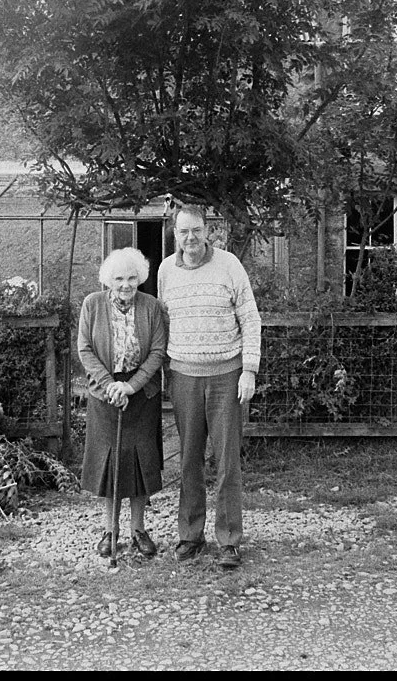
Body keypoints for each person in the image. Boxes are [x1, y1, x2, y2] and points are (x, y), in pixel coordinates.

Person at [156, 204, 261, 570]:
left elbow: (250, 318)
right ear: (175, 233)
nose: (190, 238)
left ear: (207, 230)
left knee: (227, 460)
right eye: (183, 232)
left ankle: (229, 540)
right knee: (189, 459)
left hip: (226, 377)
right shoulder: (166, 270)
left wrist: (248, 370)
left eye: (196, 230)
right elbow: (165, 321)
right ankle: (190, 535)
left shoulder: (230, 265)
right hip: (183, 376)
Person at [76, 246, 169, 560]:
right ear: (108, 280)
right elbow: (85, 349)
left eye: (132, 278)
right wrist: (110, 384)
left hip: (141, 393)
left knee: (140, 462)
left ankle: (139, 530)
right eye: (119, 279)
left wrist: (131, 386)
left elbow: (158, 352)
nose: (126, 285)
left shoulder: (152, 307)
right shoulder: (92, 304)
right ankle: (110, 530)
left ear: (140, 278)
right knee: (111, 462)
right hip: (105, 392)